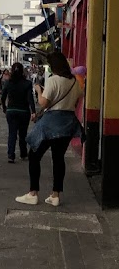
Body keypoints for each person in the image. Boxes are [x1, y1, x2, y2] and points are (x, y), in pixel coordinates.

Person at [16, 51, 84, 208]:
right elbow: (78, 99)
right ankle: (55, 195)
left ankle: (33, 193)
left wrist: (39, 91)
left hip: (51, 124)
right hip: (68, 123)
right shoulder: (74, 81)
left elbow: (44, 103)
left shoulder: (53, 80)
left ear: (53, 66)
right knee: (58, 158)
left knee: (34, 155)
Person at [0, 62, 36, 163]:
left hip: (11, 110)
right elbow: (30, 99)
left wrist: (4, 107)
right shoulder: (27, 83)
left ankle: (11, 155)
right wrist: (33, 111)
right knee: (23, 134)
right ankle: (23, 153)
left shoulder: (8, 83)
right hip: (24, 111)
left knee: (12, 133)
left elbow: (2, 97)